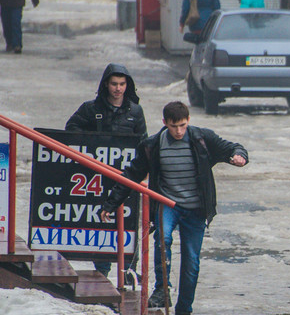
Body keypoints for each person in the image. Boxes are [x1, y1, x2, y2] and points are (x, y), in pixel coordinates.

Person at [100, 101, 248, 315]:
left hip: (196, 209)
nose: (179, 131)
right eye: (173, 126)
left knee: (191, 262)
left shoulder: (201, 139)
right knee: (163, 239)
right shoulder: (153, 145)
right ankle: (162, 289)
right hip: (168, 204)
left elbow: (232, 147)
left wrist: (240, 156)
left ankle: (184, 309)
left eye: (182, 125)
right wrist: (112, 203)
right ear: (164, 123)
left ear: (188, 121)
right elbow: (132, 174)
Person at [65, 63, 147, 285]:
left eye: (122, 84)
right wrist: (90, 147)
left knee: (128, 224)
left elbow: (144, 143)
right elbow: (71, 129)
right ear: (106, 85)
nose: (118, 88)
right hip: (96, 178)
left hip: (125, 178)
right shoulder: (90, 108)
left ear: (127, 85)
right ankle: (102, 275)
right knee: (99, 222)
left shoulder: (135, 111)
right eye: (114, 84)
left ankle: (127, 272)